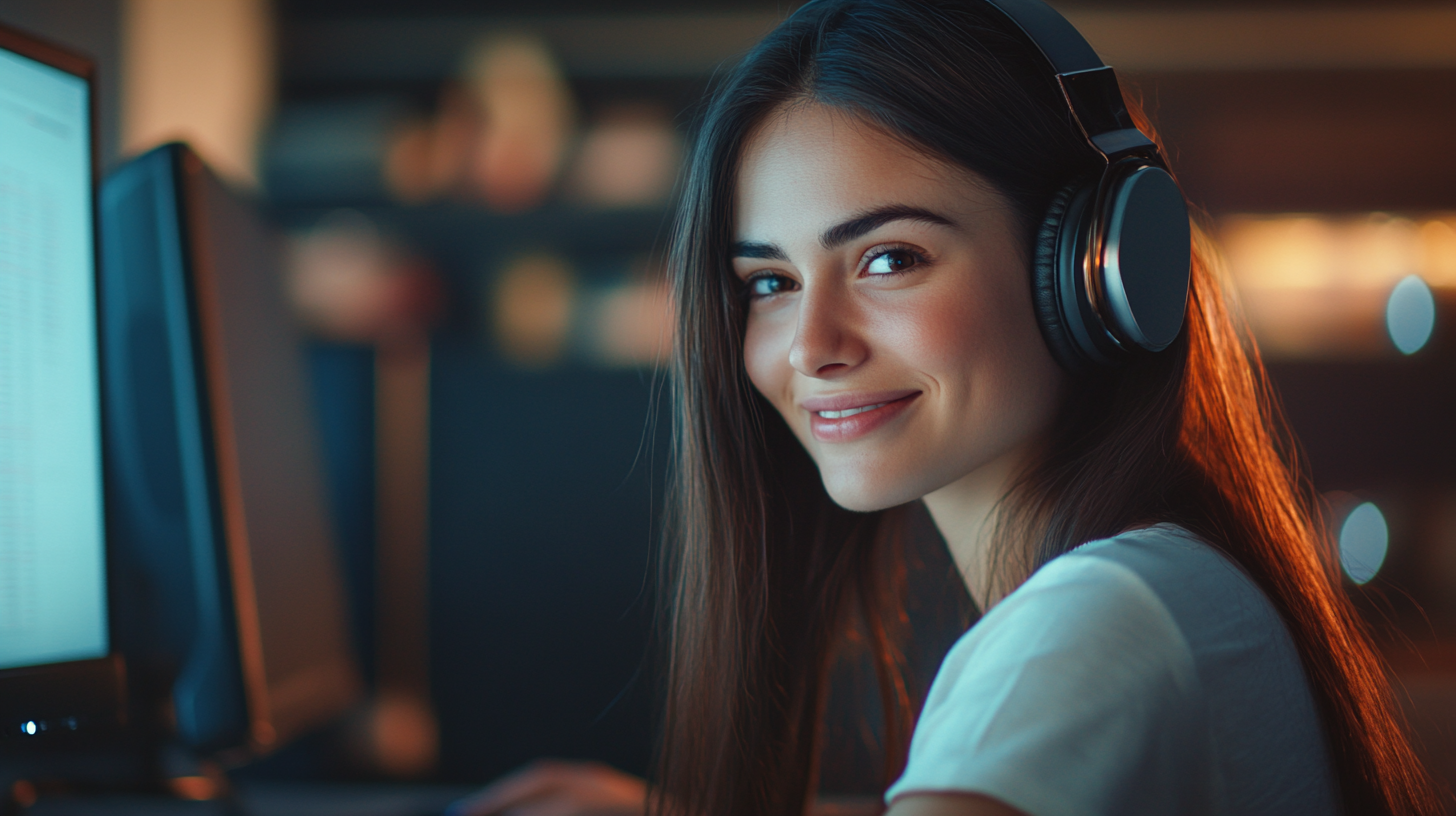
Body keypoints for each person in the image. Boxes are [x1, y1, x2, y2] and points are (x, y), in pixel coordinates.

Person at [451, 1, 1439, 814]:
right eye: (769, 282)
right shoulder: (1166, 579)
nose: (811, 347)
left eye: (889, 260)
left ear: (1094, 269)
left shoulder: (1090, 627)